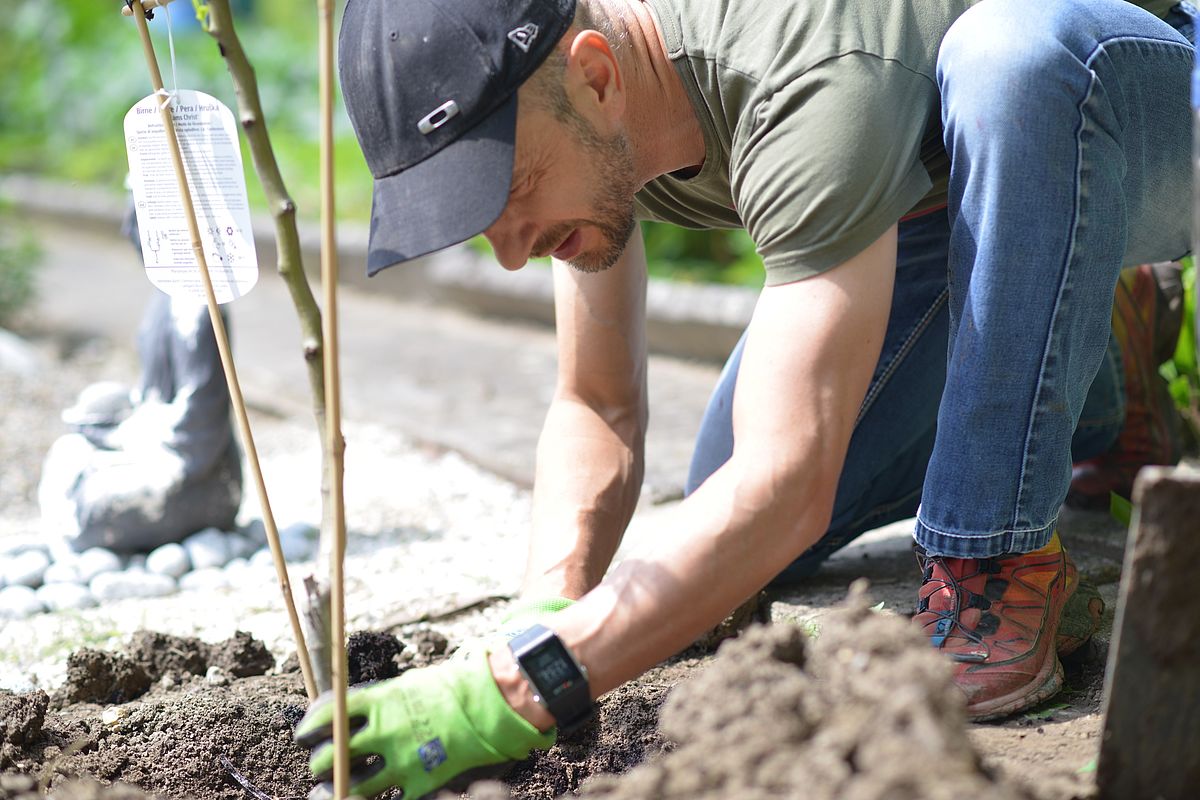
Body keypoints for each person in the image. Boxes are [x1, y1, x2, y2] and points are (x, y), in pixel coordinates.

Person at [296, 0, 1193, 795]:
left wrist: (520, 689)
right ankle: (1091, 317)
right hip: (948, 179)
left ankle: (996, 562)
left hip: (1137, 75)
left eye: (511, 191)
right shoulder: (597, 99)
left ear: (596, 77)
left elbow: (788, 482)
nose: (510, 252)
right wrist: (546, 610)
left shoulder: (800, 73)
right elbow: (596, 405)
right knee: (720, 515)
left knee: (1011, 53)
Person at [37, 207, 242, 554]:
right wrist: (121, 428)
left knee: (89, 508)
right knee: (69, 453)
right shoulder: (164, 299)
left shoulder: (198, 307)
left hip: (202, 480)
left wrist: (139, 443)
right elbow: (150, 398)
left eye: (139, 214)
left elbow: (200, 433)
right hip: (158, 445)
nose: (126, 228)